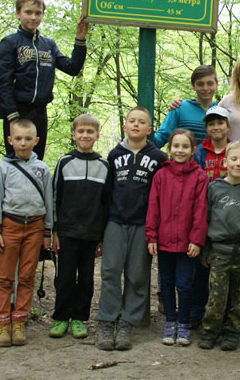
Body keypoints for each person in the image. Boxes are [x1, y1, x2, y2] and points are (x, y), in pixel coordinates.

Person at [95, 106, 168, 351]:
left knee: (138, 275)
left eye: (142, 122)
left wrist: (155, 229)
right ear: (125, 126)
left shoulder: (159, 158)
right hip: (115, 221)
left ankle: (128, 321)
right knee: (110, 272)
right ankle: (107, 320)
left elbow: (160, 196)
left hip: (143, 224)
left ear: (150, 129)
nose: (136, 125)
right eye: (132, 121)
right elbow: (106, 192)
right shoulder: (114, 154)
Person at [0, 0, 88, 161]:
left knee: (36, 161)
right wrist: (12, 116)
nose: (33, 17)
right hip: (17, 111)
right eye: (28, 12)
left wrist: (80, 40)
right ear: (18, 13)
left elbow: (72, 67)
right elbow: (3, 83)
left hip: (40, 112)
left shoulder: (48, 45)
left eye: (38, 13)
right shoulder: (10, 43)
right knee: (16, 160)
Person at [0, 119, 53, 347]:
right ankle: (3, 324)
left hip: (35, 227)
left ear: (36, 141)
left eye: (28, 139)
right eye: (18, 139)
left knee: (26, 276)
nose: (23, 143)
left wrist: (48, 230)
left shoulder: (42, 169)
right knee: (5, 277)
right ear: (10, 140)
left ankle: (19, 322)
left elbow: (48, 201)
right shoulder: (3, 167)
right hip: (10, 225)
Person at [197, 141, 240, 351]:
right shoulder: (214, 188)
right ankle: (210, 331)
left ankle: (233, 332)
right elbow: (205, 220)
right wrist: (205, 249)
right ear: (225, 162)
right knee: (216, 296)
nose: (238, 164)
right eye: (234, 159)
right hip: (219, 252)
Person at [49, 114, 112, 340]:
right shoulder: (64, 162)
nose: (85, 135)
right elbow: (55, 196)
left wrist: (102, 236)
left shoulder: (104, 165)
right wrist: (54, 230)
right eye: (81, 131)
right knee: (65, 277)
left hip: (91, 233)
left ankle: (79, 318)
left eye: (90, 131)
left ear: (97, 135)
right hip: (66, 232)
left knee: (86, 278)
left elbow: (106, 202)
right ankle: (60, 317)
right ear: (74, 134)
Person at [145, 129, 209, 346]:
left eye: (185, 146)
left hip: (187, 244)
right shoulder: (161, 175)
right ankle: (170, 321)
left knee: (184, 284)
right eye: (176, 146)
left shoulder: (199, 176)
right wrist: (151, 236)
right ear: (169, 148)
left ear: (192, 150)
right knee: (166, 283)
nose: (180, 150)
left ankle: (183, 322)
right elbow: (153, 207)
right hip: (163, 241)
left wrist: (196, 240)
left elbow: (201, 211)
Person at [187, 105, 231, 328]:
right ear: (206, 128)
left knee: (225, 266)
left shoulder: (235, 151)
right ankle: (197, 310)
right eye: (211, 124)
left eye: (220, 123)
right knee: (201, 265)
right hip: (202, 216)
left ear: (228, 126)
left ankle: (224, 311)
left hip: (228, 217)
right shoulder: (198, 154)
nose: (216, 127)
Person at [153, 65, 218, 148]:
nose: (205, 88)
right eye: (200, 84)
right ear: (193, 86)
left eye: (210, 83)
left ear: (216, 84)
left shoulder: (221, 111)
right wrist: (145, 132)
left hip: (212, 160)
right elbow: (160, 138)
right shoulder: (179, 108)